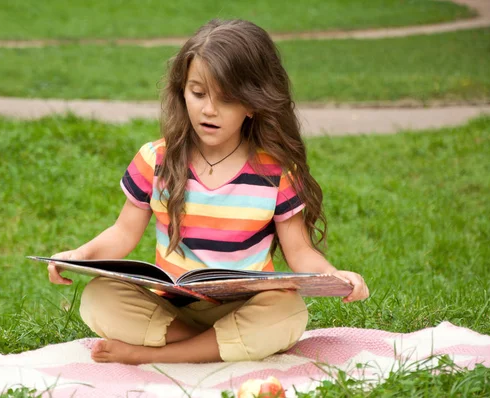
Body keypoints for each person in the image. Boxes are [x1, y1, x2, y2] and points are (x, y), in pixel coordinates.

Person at [48, 19, 369, 365]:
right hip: (173, 310)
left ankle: (155, 355)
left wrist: (335, 276)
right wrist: (80, 254)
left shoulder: (275, 172)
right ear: (182, 90)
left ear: (252, 104)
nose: (209, 109)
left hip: (244, 307)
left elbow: (300, 252)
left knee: (288, 311)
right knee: (98, 298)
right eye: (198, 93)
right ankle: (212, 347)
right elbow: (123, 233)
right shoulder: (155, 159)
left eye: (227, 98)